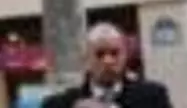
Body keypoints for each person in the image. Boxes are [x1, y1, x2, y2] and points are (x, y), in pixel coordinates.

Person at [41, 23, 172, 108]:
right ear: (86, 60)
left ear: (125, 56)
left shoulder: (153, 97)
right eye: (99, 54)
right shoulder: (59, 105)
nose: (108, 61)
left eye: (115, 53)